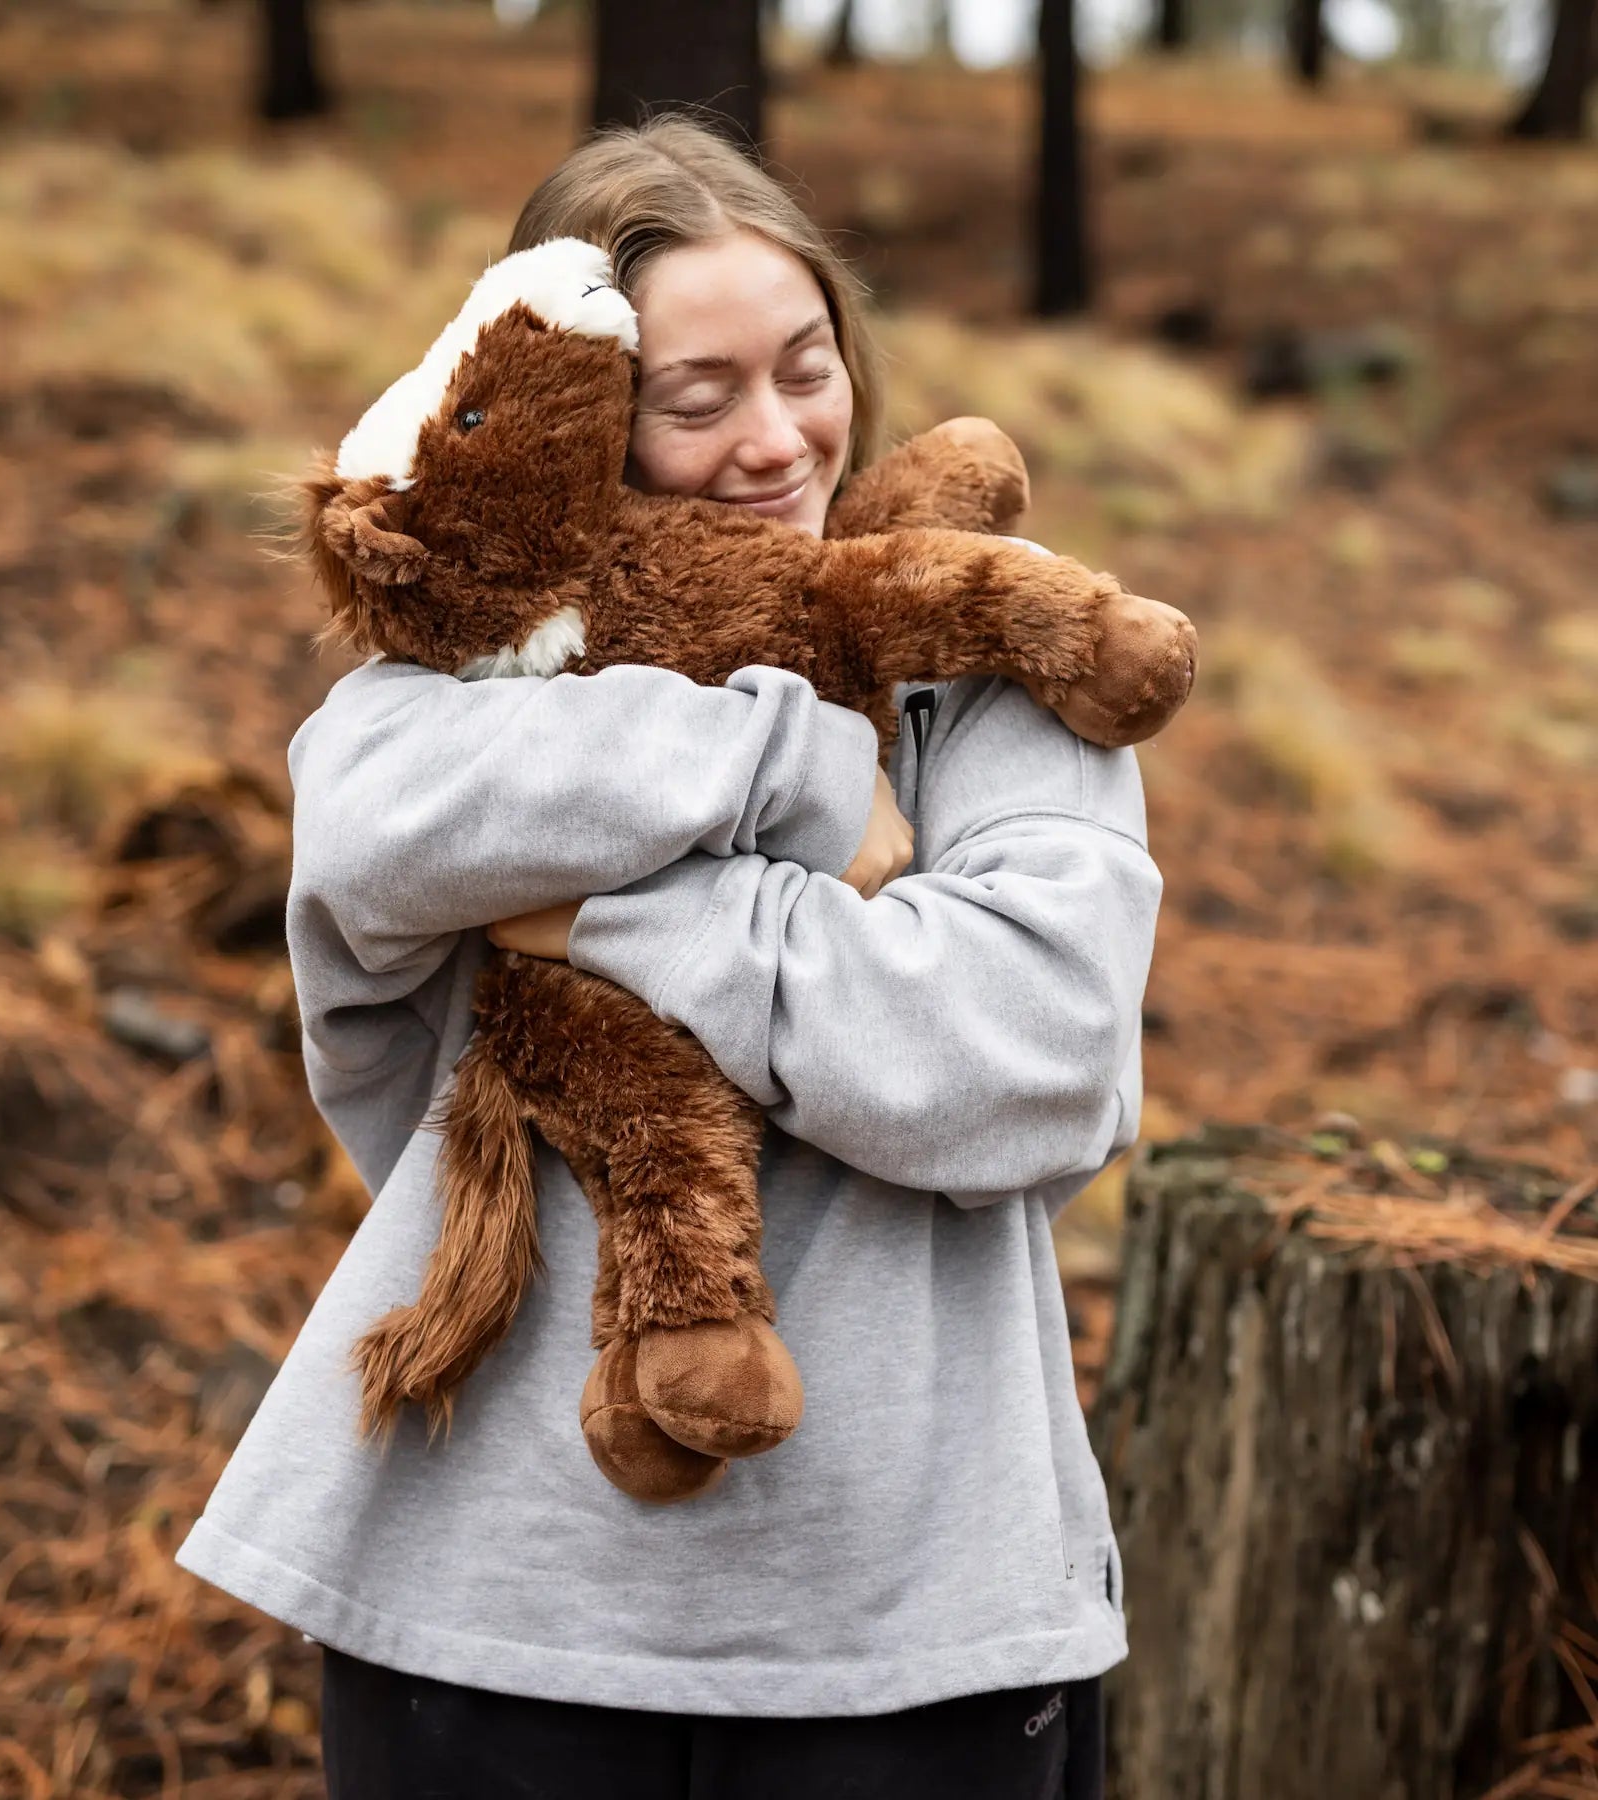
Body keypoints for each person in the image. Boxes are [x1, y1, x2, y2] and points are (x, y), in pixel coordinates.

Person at [175, 114, 1162, 1800]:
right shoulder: (478, 686)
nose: (778, 443)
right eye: (695, 403)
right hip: (493, 1604)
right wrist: (791, 776)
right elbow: (365, 825)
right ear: (576, 425)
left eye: (808, 367)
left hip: (905, 1617)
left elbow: (1033, 1054)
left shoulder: (987, 661)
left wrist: (613, 916)